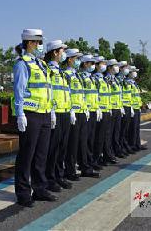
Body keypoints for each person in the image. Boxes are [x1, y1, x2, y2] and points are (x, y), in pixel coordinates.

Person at [13, 29, 57, 208]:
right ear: (30, 43)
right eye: (38, 43)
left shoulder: (42, 64)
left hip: (45, 114)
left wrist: (52, 111)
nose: (40, 47)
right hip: (30, 115)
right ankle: (23, 193)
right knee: (26, 155)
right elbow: (19, 90)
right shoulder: (22, 64)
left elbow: (48, 89)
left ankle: (40, 188)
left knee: (41, 155)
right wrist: (20, 113)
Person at [44, 40, 73, 191]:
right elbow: (49, 93)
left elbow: (67, 93)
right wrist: (52, 111)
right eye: (62, 51)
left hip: (65, 113)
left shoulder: (61, 73)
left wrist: (71, 110)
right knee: (53, 148)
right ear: (55, 52)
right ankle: (50, 178)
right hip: (54, 113)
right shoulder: (48, 70)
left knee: (62, 147)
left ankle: (59, 176)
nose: (64, 54)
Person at [63, 48, 88, 181]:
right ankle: (70, 170)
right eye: (76, 58)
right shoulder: (65, 75)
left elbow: (81, 94)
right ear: (70, 59)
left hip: (82, 111)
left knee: (81, 141)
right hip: (73, 112)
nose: (79, 61)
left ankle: (83, 166)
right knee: (72, 144)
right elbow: (67, 94)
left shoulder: (77, 75)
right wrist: (71, 109)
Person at [78, 54, 102, 174]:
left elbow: (94, 94)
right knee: (84, 140)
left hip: (92, 111)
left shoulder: (91, 78)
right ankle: (85, 165)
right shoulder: (81, 77)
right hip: (85, 111)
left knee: (91, 139)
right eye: (91, 63)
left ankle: (90, 162)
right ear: (85, 64)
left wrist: (97, 108)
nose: (93, 66)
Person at [93, 56, 116, 166]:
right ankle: (97, 158)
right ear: (96, 65)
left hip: (107, 110)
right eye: (101, 63)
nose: (104, 65)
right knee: (99, 137)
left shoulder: (103, 79)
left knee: (106, 135)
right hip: (100, 111)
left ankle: (104, 156)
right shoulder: (95, 79)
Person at [106, 59, 126, 159]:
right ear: (109, 67)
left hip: (117, 108)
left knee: (116, 132)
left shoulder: (116, 80)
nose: (117, 68)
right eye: (115, 66)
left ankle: (115, 151)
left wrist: (121, 106)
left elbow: (119, 94)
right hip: (111, 108)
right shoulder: (107, 79)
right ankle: (109, 153)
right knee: (109, 133)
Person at [128, 66, 148, 152]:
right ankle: (132, 145)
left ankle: (137, 144)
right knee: (132, 128)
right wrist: (131, 107)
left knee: (136, 128)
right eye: (133, 71)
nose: (135, 73)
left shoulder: (134, 83)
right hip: (132, 107)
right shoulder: (127, 83)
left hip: (136, 107)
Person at [117, 61, 135, 155]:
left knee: (124, 129)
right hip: (121, 106)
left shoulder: (123, 80)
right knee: (120, 130)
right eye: (125, 67)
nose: (127, 69)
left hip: (126, 106)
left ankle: (123, 146)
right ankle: (119, 148)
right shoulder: (118, 79)